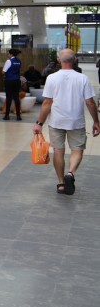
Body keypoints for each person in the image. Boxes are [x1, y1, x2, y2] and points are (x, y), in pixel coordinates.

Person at [33, 48, 100, 196]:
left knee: (58, 151)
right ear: (75, 60)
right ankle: (70, 173)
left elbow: (47, 103)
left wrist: (39, 123)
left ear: (59, 60)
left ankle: (61, 183)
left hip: (56, 121)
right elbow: (90, 102)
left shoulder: (52, 78)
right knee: (77, 150)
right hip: (76, 122)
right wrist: (96, 121)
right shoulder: (82, 78)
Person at [2, 48, 22, 121]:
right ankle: (18, 116)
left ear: (11, 54)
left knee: (9, 98)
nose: (7, 55)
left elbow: (3, 71)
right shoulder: (19, 61)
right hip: (17, 80)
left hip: (9, 81)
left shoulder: (9, 61)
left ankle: (7, 115)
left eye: (8, 54)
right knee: (16, 98)